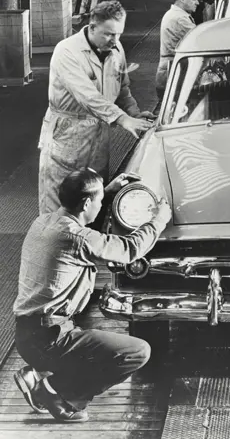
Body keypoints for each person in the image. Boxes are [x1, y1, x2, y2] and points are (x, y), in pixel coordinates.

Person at [13, 168, 172, 422]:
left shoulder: (43, 221)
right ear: (86, 202)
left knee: (91, 347)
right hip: (51, 339)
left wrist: (105, 192)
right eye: (98, 201)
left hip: (28, 333)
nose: (101, 205)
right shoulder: (76, 238)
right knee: (137, 352)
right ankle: (60, 396)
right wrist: (160, 219)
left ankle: (39, 375)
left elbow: (80, 221)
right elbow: (130, 249)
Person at [38, 1, 154, 216]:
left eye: (119, 34)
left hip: (99, 133)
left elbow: (122, 88)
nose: (115, 40)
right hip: (68, 132)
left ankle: (88, 245)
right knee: (60, 199)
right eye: (109, 34)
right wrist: (122, 119)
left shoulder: (116, 49)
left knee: (95, 197)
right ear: (92, 27)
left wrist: (134, 113)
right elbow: (87, 97)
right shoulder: (67, 52)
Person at [155, 0, 200, 99]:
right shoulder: (180, 19)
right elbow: (200, 40)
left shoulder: (175, 14)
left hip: (170, 71)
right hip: (175, 73)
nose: (197, 3)